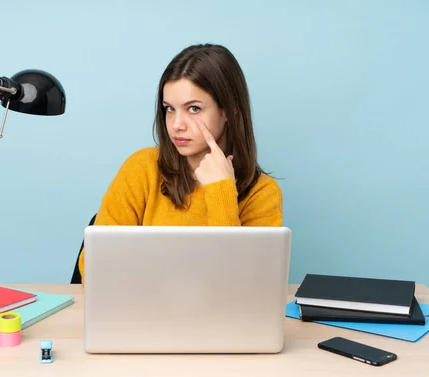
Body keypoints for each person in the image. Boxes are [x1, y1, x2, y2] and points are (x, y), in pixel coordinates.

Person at [77, 43, 283, 283]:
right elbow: (93, 268)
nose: (176, 125)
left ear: (229, 111)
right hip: (142, 313)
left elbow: (245, 287)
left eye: (193, 108)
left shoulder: (263, 193)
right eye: (169, 109)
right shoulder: (141, 168)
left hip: (219, 319)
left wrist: (221, 193)